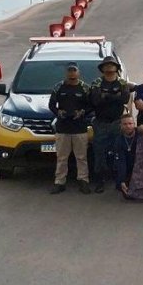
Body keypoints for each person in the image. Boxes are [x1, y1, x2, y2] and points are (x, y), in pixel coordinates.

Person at [89, 55, 131, 193]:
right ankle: (100, 180)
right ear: (102, 68)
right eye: (106, 65)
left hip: (117, 123)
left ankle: (119, 180)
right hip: (101, 123)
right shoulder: (96, 83)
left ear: (116, 68)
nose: (109, 67)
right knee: (99, 152)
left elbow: (124, 98)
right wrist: (114, 96)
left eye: (111, 65)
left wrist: (105, 96)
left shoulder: (122, 83)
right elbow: (95, 100)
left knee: (119, 151)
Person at [48, 63, 91, 195]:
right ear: (66, 73)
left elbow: (92, 105)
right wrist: (58, 112)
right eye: (69, 71)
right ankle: (59, 182)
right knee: (61, 157)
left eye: (74, 71)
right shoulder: (59, 87)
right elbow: (51, 104)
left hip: (80, 128)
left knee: (81, 157)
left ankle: (83, 181)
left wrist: (82, 112)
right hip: (63, 128)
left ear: (78, 73)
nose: (72, 74)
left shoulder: (85, 88)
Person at [114, 114, 138, 197]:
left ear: (134, 124)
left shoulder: (141, 136)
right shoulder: (118, 141)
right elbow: (121, 162)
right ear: (121, 126)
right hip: (127, 168)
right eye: (125, 124)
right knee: (127, 194)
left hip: (140, 167)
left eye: (130, 123)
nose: (128, 126)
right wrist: (122, 180)